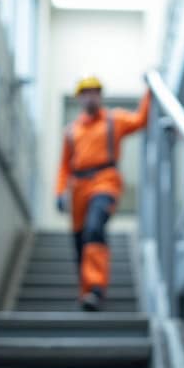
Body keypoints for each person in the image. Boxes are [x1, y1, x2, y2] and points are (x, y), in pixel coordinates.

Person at [56, 75, 150, 311]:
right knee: (80, 241)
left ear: (100, 95)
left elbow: (140, 120)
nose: (91, 96)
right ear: (80, 98)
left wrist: (149, 91)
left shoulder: (113, 120)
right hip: (78, 188)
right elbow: (64, 167)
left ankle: (96, 288)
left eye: (95, 91)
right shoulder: (71, 131)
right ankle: (86, 293)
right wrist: (59, 192)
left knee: (94, 228)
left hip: (105, 181)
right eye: (86, 92)